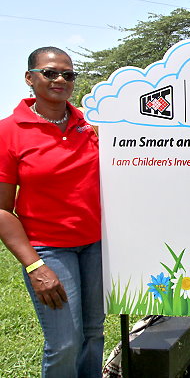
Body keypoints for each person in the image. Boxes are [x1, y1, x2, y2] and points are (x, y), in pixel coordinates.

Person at [0, 46, 104, 377]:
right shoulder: (8, 131)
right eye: (50, 73)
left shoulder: (91, 124)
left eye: (68, 74)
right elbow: (2, 210)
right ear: (29, 78)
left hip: (96, 245)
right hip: (48, 249)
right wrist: (34, 266)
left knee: (93, 333)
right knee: (64, 343)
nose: (60, 79)